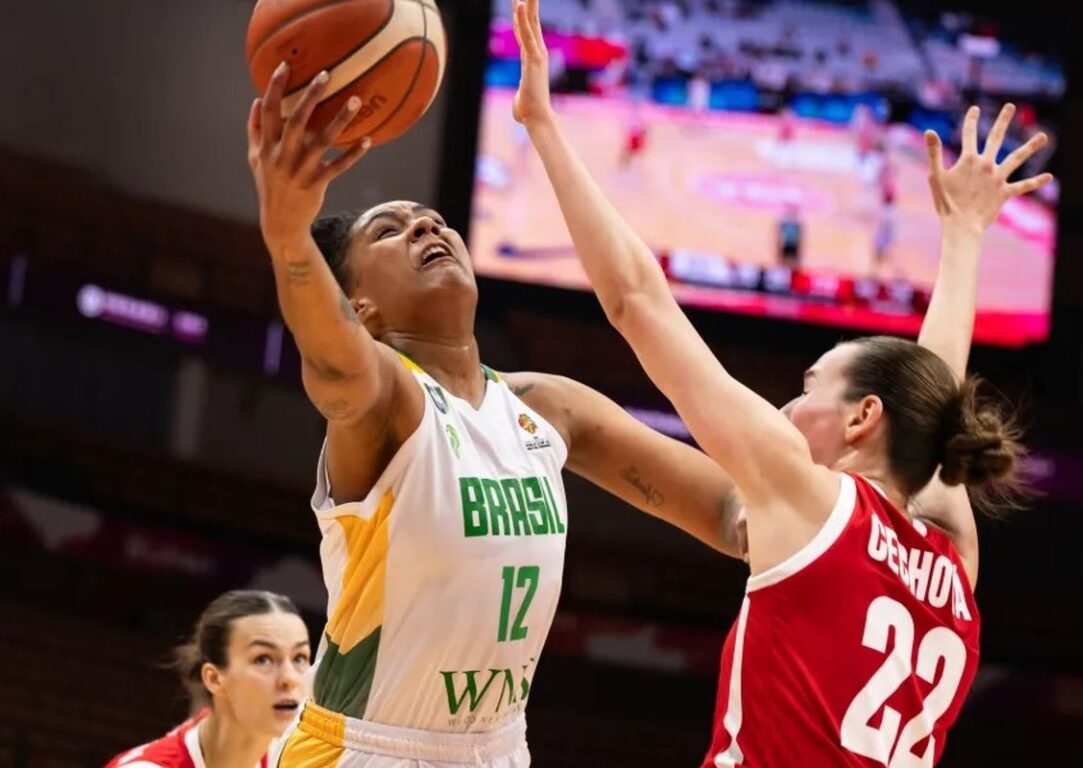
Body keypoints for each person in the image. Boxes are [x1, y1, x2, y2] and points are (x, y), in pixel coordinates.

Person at [511, 0, 1053, 761]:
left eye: (809, 386)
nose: (787, 405)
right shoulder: (953, 564)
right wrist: (963, 236)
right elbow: (935, 393)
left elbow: (637, 300)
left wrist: (543, 124)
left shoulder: (811, 499)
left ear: (863, 418)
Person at [246, 63, 746, 767]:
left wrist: (838, 518)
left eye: (434, 220)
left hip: (498, 749)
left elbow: (731, 514)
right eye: (391, 231)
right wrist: (289, 241)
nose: (425, 225)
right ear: (360, 309)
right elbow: (333, 363)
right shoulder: (388, 400)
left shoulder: (546, 406)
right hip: (366, 751)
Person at [105, 591, 311, 768]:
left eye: (299, 658)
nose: (290, 679)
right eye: (263, 659)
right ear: (214, 679)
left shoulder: (299, 756)